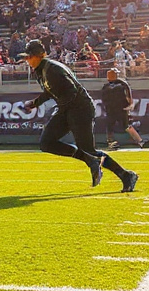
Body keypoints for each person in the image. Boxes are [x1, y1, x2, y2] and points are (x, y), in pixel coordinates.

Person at [19, 39, 138, 192]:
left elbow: (72, 92)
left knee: (88, 149)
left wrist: (62, 110)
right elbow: (51, 91)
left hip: (80, 108)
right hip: (67, 108)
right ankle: (90, 160)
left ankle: (126, 175)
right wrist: (35, 103)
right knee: (46, 143)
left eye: (29, 56)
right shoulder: (41, 70)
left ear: (39, 55)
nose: (27, 60)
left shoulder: (52, 69)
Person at [100, 68, 144, 149]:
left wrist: (130, 105)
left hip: (121, 109)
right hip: (112, 110)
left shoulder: (122, 84)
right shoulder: (107, 86)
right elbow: (104, 99)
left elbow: (128, 95)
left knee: (126, 126)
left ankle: (140, 141)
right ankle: (111, 142)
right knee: (111, 126)